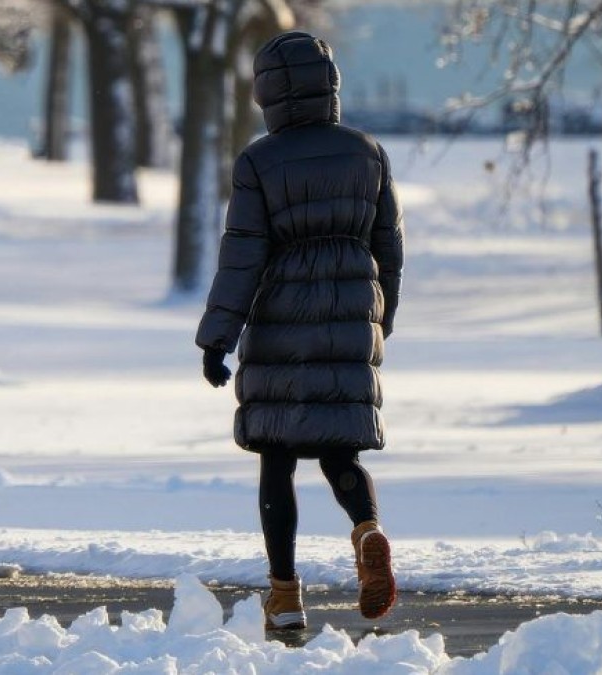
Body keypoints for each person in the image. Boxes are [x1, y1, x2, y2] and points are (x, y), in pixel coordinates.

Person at [195, 32, 404, 631]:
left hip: (280, 319)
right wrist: (378, 318)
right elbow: (388, 245)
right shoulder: (367, 152)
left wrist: (217, 339)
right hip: (349, 314)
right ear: (329, 82)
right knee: (342, 447)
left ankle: (284, 596)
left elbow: (243, 256)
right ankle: (366, 528)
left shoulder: (259, 161)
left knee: (276, 459)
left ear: (267, 92)